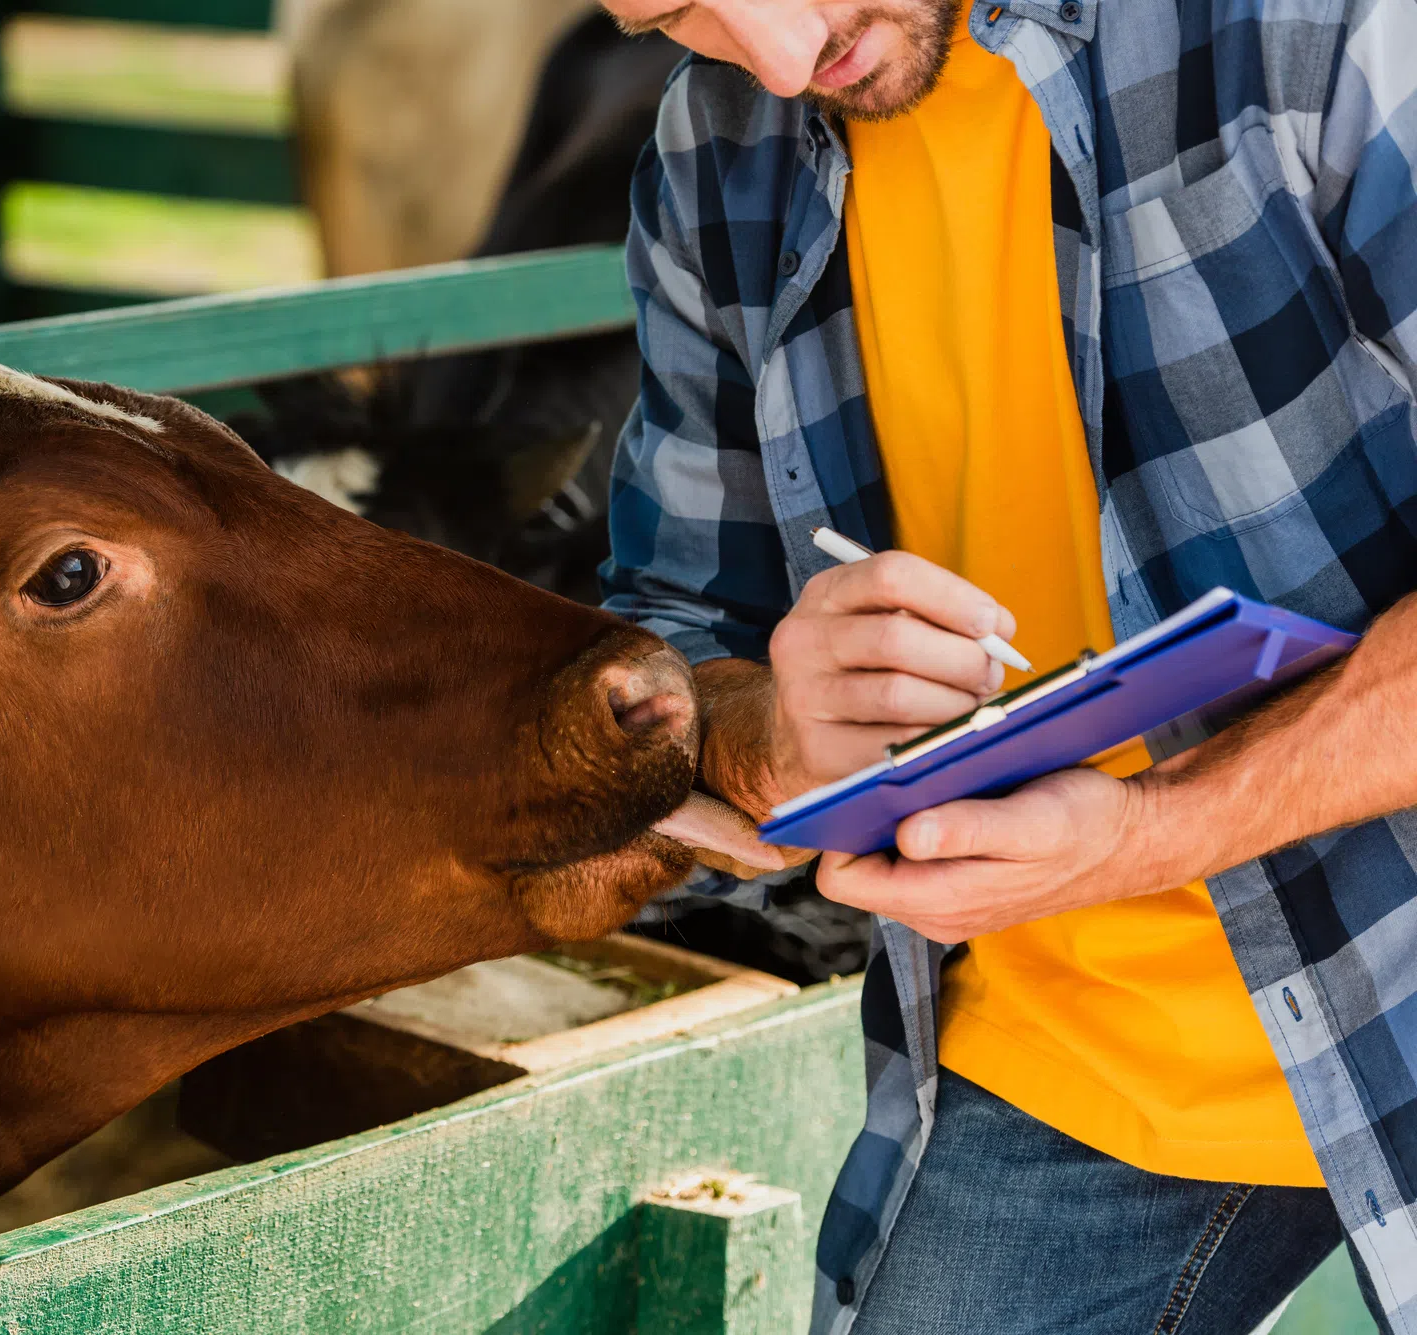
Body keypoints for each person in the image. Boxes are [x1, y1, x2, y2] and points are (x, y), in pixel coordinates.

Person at [592, 0, 1417, 1330]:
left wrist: (1155, 829)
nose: (782, 61)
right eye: (676, 14)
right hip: (1064, 1051)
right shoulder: (711, 153)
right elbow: (679, 634)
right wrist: (772, 730)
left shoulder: (1311, 28)